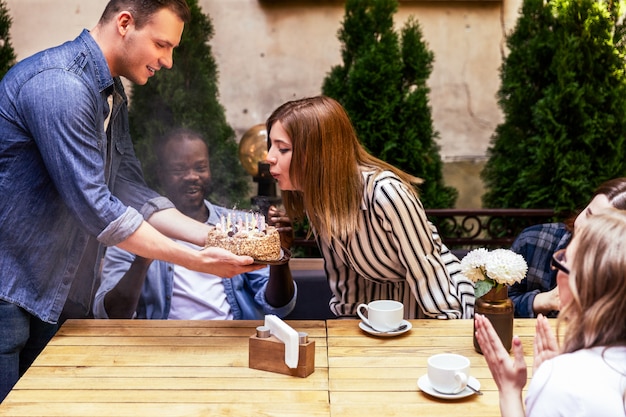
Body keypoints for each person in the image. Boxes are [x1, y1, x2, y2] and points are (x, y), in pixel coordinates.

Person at [0, 0, 261, 402]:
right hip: (8, 292)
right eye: (162, 44)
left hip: (51, 294)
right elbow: (97, 206)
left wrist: (216, 238)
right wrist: (195, 260)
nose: (169, 61)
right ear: (125, 23)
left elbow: (129, 189)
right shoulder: (61, 85)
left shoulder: (110, 94)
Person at [265, 96, 474, 320]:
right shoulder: (317, 199)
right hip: (381, 312)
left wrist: (447, 336)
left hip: (440, 305)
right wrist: (345, 329)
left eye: (283, 149)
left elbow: (427, 273)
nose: (269, 158)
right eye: (271, 146)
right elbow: (345, 279)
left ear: (318, 153)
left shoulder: (385, 193)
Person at [94, 128, 297, 320]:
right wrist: (145, 254)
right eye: (179, 169)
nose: (192, 177)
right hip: (164, 346)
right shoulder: (135, 231)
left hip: (230, 342)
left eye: (200, 168)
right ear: (161, 174)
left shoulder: (240, 229)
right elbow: (109, 315)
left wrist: (279, 255)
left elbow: (278, 307)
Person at [475, 208, 626, 417]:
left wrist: (510, 392)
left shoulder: (565, 384)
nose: (555, 269)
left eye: (562, 260)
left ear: (569, 282)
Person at [509, 177, 626, 317]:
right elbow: (491, 304)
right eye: (588, 214)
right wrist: (542, 300)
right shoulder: (534, 240)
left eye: (599, 226)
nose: (584, 228)